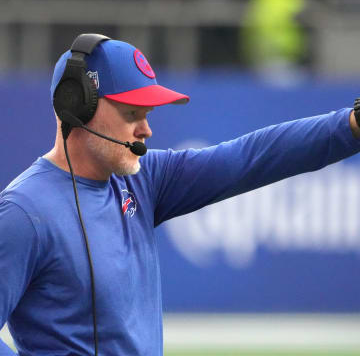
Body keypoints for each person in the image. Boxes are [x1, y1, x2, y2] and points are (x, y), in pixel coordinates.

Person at [1, 34, 360, 356]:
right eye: (132, 114)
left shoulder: (144, 180)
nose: (146, 129)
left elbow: (252, 157)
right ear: (76, 108)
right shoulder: (23, 214)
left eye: (147, 113)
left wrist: (352, 125)